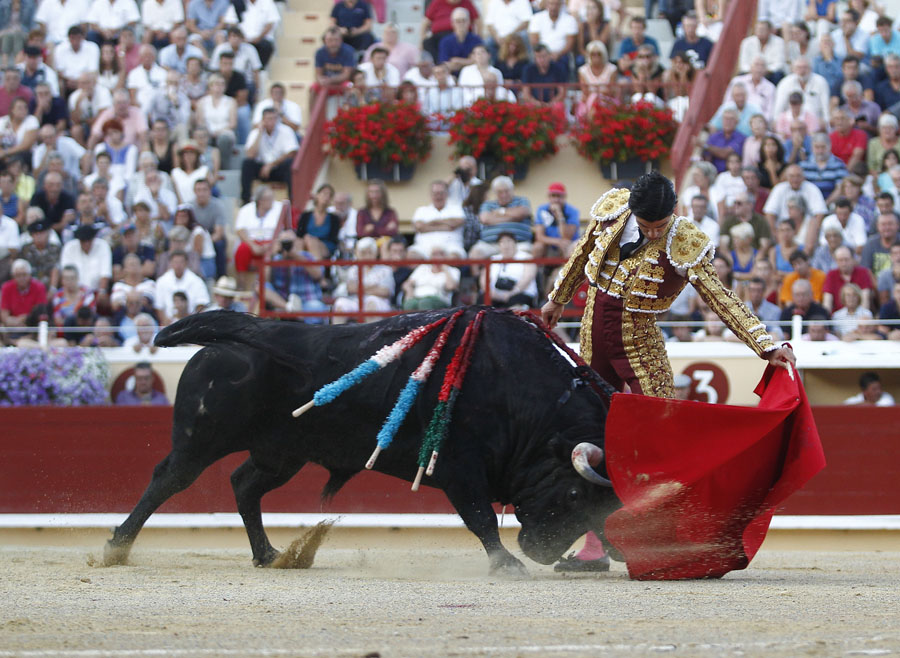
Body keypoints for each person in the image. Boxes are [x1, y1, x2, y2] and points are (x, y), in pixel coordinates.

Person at [542, 172, 794, 571]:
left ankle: (663, 540)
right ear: (633, 213)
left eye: (660, 226)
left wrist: (764, 344)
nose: (655, 234)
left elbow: (718, 296)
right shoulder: (613, 212)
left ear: (673, 213)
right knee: (588, 435)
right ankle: (593, 546)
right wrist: (557, 298)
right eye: (646, 227)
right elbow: (581, 252)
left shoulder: (684, 239)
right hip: (593, 333)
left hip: (640, 342)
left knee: (660, 439)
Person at [240, 107, 298, 204]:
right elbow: (250, 155)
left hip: (278, 167)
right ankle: (245, 200)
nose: (272, 122)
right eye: (269, 119)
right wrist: (259, 133)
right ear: (263, 120)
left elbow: (292, 152)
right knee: (247, 163)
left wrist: (271, 165)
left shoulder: (286, 130)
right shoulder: (255, 133)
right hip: (262, 169)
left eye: (274, 118)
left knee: (290, 163)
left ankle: (292, 200)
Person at [409, 180, 466, 260]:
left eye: (441, 193)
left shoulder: (456, 208)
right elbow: (419, 227)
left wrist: (430, 224)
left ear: (447, 194)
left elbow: (457, 222)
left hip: (451, 248)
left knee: (454, 258)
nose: (438, 196)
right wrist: (446, 226)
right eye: (435, 193)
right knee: (411, 256)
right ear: (430, 195)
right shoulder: (421, 210)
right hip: (424, 249)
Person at [155, 249, 209, 324]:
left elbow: (202, 304)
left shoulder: (197, 281)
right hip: (169, 324)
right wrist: (165, 322)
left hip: (191, 322)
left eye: (181, 262)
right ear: (170, 263)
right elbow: (159, 306)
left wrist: (193, 321)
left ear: (186, 263)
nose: (178, 265)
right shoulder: (162, 281)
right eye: (175, 262)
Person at [484, 231, 537, 308]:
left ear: (515, 243)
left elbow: (527, 278)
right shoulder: (493, 259)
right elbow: (484, 280)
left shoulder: (527, 258)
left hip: (519, 294)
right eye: (502, 242)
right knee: (483, 302)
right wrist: (493, 294)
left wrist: (511, 293)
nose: (506, 245)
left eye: (509, 241)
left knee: (515, 308)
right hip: (495, 295)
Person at [402, 245, 460, 310]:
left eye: (441, 254)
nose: (438, 257)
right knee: (409, 304)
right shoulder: (422, 268)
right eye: (434, 254)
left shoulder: (453, 270)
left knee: (425, 302)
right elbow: (406, 284)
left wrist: (445, 269)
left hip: (439, 300)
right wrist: (410, 292)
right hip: (417, 298)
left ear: (446, 256)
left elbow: (451, 286)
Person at [0, 259, 47, 339]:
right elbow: (4, 315)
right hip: (13, 326)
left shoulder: (39, 287)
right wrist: (16, 321)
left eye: (24, 274)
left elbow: (40, 312)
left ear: (30, 275)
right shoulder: (6, 288)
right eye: (18, 275)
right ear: (13, 276)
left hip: (33, 326)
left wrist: (25, 319)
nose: (21, 278)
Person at [822, 245, 875, 312]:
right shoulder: (831, 275)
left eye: (846, 260)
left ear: (853, 259)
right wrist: (827, 318)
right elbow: (827, 300)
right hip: (837, 317)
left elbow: (865, 299)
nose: (844, 263)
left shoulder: (863, 273)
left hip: (859, 315)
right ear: (836, 261)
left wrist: (863, 317)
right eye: (840, 260)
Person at [533, 182, 579, 259]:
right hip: (549, 244)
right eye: (553, 196)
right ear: (548, 197)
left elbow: (567, 236)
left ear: (564, 197)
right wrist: (558, 242)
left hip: (567, 244)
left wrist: (559, 216)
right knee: (537, 247)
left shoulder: (573, 211)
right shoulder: (542, 209)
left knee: (567, 245)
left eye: (559, 196)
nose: (556, 200)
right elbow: (539, 236)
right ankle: (540, 270)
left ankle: (565, 269)